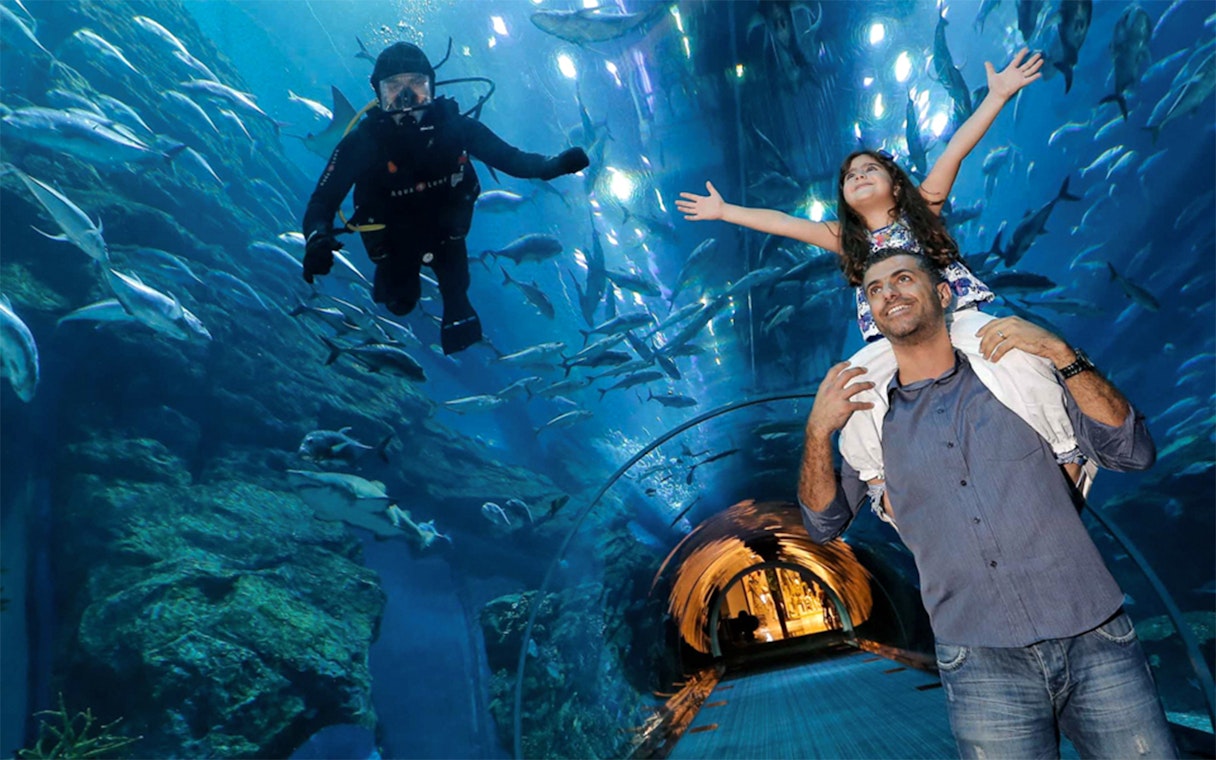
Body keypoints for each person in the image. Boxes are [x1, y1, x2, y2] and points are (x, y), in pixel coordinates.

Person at [798, 247, 1176, 758]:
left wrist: (1063, 356)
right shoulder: (870, 422)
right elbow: (822, 524)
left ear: (943, 293)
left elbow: (1132, 453)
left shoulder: (1023, 376)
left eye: (904, 278)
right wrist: (819, 429)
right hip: (979, 662)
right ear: (872, 313)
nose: (889, 292)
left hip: (1096, 637)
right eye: (875, 289)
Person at [676, 49, 1083, 523]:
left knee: (1020, 365)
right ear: (845, 197)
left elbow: (955, 149)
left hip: (958, 318)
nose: (860, 176)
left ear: (895, 181)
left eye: (871, 169)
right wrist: (726, 212)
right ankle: (882, 487)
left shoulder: (922, 210)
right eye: (851, 176)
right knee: (860, 394)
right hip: (892, 340)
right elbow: (783, 223)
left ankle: (1065, 452)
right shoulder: (846, 241)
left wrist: (995, 96)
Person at [301, 42, 589, 355]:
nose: (407, 99)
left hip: (446, 232)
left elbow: (513, 159)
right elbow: (322, 201)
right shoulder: (364, 142)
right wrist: (317, 237)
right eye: (394, 89)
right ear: (378, 95)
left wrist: (553, 166)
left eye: (417, 87)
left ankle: (455, 300)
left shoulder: (455, 128)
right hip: (390, 237)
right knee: (398, 303)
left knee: (456, 291)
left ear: (432, 87)